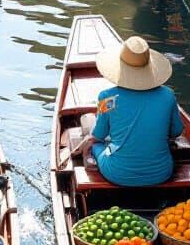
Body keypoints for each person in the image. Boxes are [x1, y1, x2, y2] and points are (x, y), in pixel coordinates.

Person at [72, 36, 183, 187]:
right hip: (161, 173)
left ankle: (88, 159)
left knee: (94, 142)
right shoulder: (167, 95)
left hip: (117, 173)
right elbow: (176, 131)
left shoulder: (107, 97)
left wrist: (90, 141)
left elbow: (99, 135)